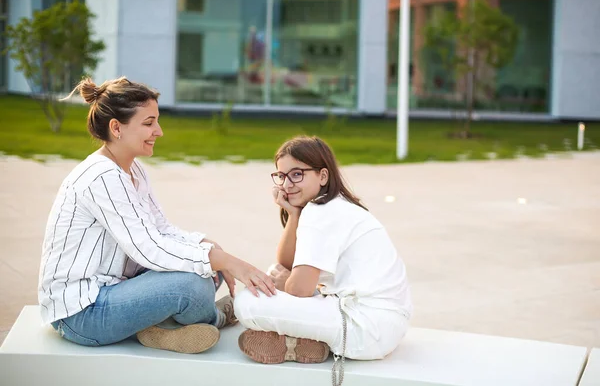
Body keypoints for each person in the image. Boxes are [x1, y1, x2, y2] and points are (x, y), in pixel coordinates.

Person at [38, 76, 275, 354]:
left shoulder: (133, 170)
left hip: (116, 289)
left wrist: (209, 249)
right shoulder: (101, 177)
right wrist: (226, 261)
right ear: (116, 128)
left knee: (208, 259)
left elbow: (160, 229)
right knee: (192, 284)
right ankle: (216, 317)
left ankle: (159, 329)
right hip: (82, 314)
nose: (159, 131)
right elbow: (148, 248)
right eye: (149, 123)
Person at [234, 136, 412, 378]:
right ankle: (303, 343)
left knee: (247, 303)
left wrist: (279, 284)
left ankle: (296, 338)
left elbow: (299, 290)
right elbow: (286, 263)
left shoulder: (321, 212)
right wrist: (293, 214)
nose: (287, 184)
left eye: (297, 174)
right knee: (274, 273)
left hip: (366, 327)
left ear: (323, 176)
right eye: (281, 176)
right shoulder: (328, 206)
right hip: (379, 323)